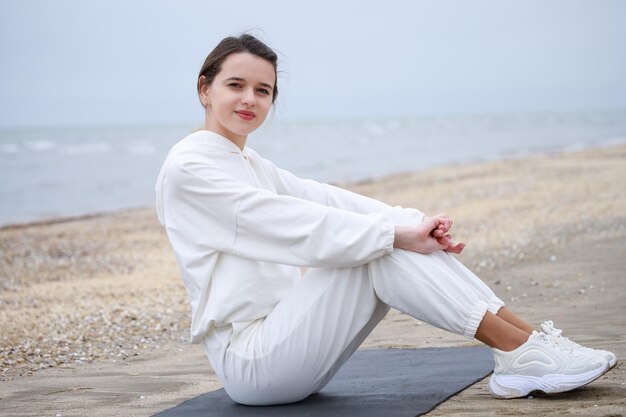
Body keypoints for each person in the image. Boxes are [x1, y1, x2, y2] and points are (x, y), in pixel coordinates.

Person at [155, 34, 615, 405]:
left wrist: (414, 222)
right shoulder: (190, 167)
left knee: (388, 238)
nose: (250, 99)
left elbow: (326, 200)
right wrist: (398, 233)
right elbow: (289, 221)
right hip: (252, 365)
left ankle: (534, 342)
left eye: (263, 90)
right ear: (204, 89)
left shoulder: (248, 162)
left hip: (287, 342)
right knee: (381, 248)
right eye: (235, 85)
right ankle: (518, 353)